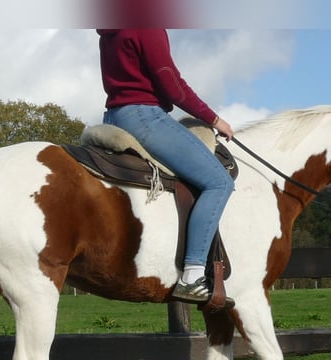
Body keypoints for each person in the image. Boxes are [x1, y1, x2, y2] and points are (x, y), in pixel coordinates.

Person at [97, 29, 235, 304]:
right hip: (144, 116)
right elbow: (173, 85)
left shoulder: (109, 28)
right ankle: (193, 276)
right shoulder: (147, 25)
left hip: (113, 116)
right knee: (219, 182)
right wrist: (214, 119)